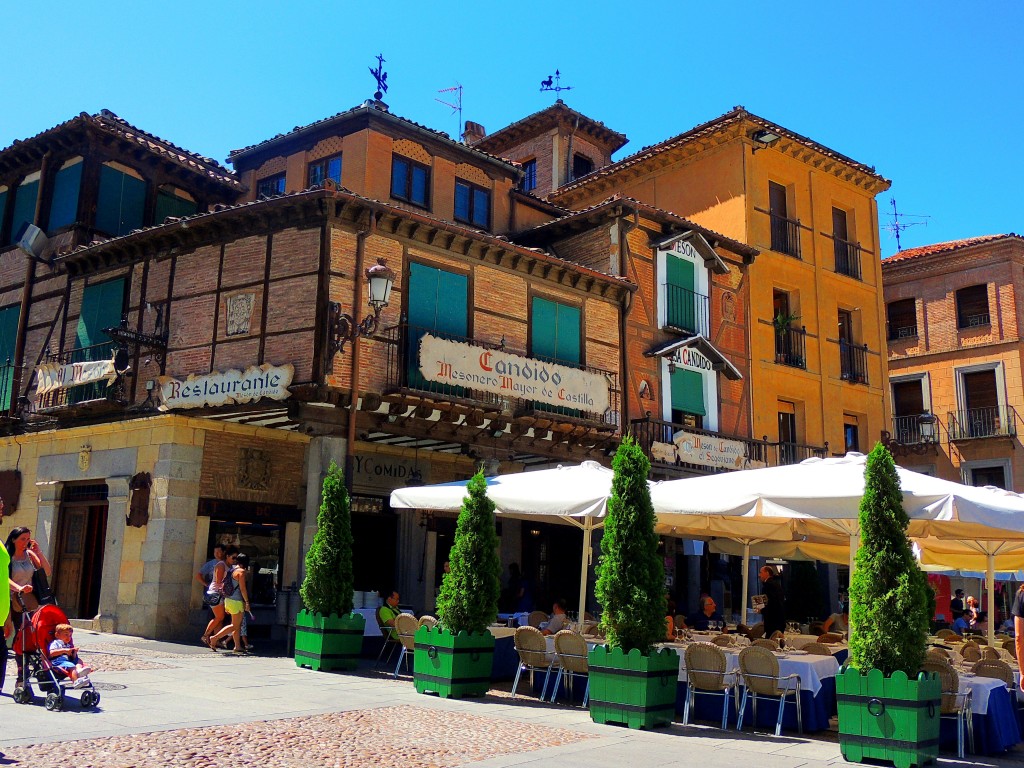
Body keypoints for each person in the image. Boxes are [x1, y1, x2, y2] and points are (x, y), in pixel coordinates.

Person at [208, 552, 251, 653]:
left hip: (228, 599)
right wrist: (247, 602)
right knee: (235, 625)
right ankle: (215, 638)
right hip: (236, 601)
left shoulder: (232, 570)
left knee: (236, 624)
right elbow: (243, 589)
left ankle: (237, 646)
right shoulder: (241, 572)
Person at [6, 526, 52, 620]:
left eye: (28, 539)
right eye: (22, 539)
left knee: (27, 631)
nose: (26, 542)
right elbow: (3, 577)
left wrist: (38, 551)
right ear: (13, 540)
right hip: (9, 600)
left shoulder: (29, 555)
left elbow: (47, 572)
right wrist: (19, 588)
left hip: (28, 601)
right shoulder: (6, 556)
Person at [198, 544, 231, 648]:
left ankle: (216, 639)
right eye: (215, 552)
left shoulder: (225, 564)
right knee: (218, 617)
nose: (217, 554)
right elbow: (199, 575)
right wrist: (206, 584)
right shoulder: (214, 564)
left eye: (219, 552)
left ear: (224, 552)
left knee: (219, 618)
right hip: (215, 594)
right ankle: (207, 635)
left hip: (218, 593)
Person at [48, 623, 94, 688]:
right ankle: (75, 681)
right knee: (72, 666)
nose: (68, 637)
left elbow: (72, 657)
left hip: (67, 660)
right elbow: (52, 653)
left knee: (78, 660)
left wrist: (74, 653)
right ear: (57, 635)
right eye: (66, 635)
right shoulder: (56, 643)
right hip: (58, 661)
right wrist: (64, 650)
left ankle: (79, 670)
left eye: (70, 635)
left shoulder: (67, 645)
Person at [758, 564, 786, 637]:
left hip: (772, 621)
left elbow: (771, 603)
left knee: (771, 642)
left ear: (767, 573)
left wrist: (761, 610)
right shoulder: (777, 584)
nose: (759, 575)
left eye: (761, 572)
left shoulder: (768, 585)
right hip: (780, 619)